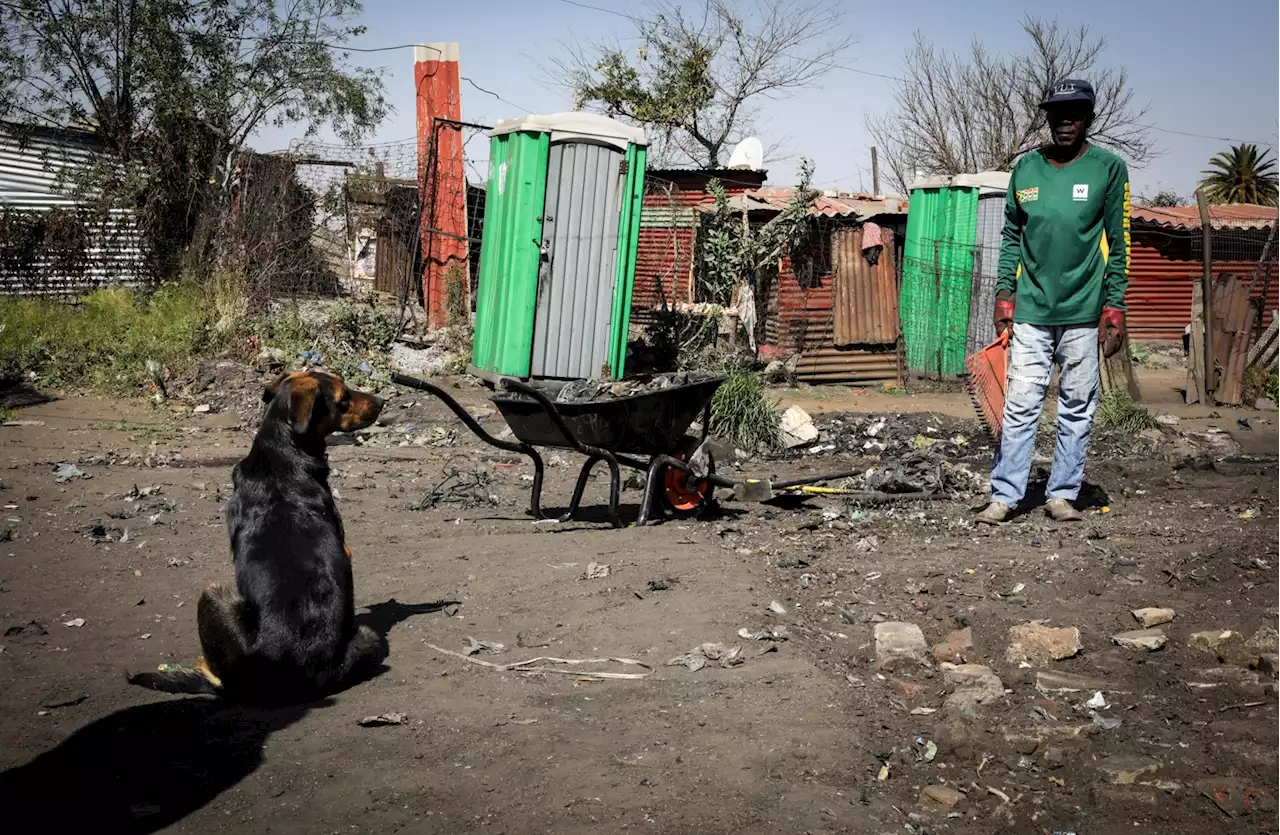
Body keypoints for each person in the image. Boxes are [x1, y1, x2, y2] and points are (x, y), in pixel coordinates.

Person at [976, 78, 1130, 525]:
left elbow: (1120, 244)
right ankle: (1005, 495)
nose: (1065, 122)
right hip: (1031, 311)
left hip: (1084, 312)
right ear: (1047, 118)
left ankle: (1061, 494)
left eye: (1075, 114)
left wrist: (1114, 306)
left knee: (1077, 405)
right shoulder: (1026, 169)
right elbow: (1010, 236)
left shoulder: (1108, 168)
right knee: (1021, 403)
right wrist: (1004, 293)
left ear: (1088, 118)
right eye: (1057, 114)